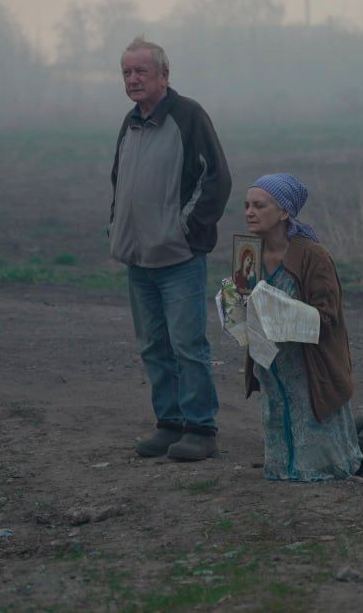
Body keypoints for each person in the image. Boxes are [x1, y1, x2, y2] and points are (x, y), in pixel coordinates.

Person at [109, 36, 232, 461]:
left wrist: (183, 231)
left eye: (141, 71)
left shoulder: (188, 116)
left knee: (187, 345)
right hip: (137, 258)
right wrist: (118, 228)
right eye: (127, 71)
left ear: (164, 74)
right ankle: (169, 424)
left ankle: (201, 428)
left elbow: (215, 179)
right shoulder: (131, 122)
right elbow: (119, 183)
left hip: (178, 257)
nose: (133, 79)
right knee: (153, 346)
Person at [242, 173, 363, 481]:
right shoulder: (248, 252)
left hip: (309, 368)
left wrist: (279, 314)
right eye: (246, 205)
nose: (249, 212)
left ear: (284, 212)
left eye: (259, 205)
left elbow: (327, 318)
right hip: (274, 368)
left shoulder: (313, 256)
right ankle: (359, 429)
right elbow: (246, 304)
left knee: (328, 467)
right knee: (284, 464)